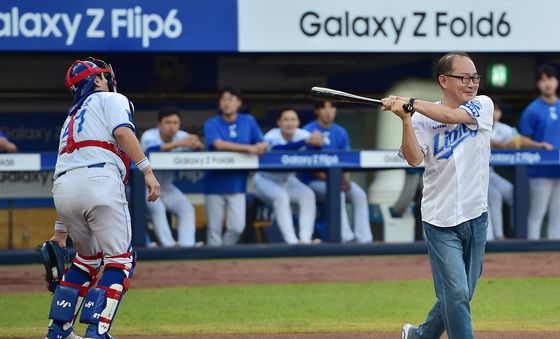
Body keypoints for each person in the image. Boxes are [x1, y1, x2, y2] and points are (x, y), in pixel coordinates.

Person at [45, 58, 160, 339]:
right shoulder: (111, 98)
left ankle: (59, 330)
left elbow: (68, 168)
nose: (107, 80)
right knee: (120, 260)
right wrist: (146, 170)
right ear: (96, 81)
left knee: (87, 260)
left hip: (63, 189)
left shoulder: (70, 118)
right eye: (103, 77)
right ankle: (98, 331)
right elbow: (122, 132)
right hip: (100, 181)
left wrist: (60, 233)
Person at [383, 52, 493, 339]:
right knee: (455, 293)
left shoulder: (482, 105)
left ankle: (418, 336)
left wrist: (410, 102)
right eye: (464, 77)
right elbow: (413, 159)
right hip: (440, 219)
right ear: (444, 80)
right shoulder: (421, 118)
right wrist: (406, 119)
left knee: (462, 294)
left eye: (474, 77)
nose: (472, 83)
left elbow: (451, 116)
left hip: (476, 216)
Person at [203, 87, 268, 246]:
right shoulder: (212, 123)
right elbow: (218, 144)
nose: (227, 103)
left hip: (237, 181)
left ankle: (223, 253)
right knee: (214, 230)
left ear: (239, 103)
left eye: (231, 99)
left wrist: (262, 146)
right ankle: (213, 264)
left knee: (238, 226)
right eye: (224, 99)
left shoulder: (248, 120)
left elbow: (262, 141)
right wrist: (247, 148)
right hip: (214, 183)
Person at [302, 101, 373, 243]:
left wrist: (345, 180)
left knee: (360, 195)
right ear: (317, 111)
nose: (328, 111)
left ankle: (364, 239)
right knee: (337, 193)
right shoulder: (308, 131)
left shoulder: (340, 132)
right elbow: (309, 166)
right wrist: (336, 182)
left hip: (337, 180)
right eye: (323, 107)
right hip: (311, 181)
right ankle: (346, 237)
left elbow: (346, 161)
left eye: (331, 107)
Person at [253, 108, 323, 244]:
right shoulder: (271, 135)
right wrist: (306, 142)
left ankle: (305, 240)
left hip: (288, 180)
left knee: (308, 195)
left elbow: (317, 149)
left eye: (293, 119)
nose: (289, 123)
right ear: (279, 122)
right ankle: (291, 241)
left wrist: (317, 143)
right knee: (282, 197)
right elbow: (279, 150)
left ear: (298, 122)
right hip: (265, 180)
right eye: (286, 119)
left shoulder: (302, 134)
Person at [488, 98, 551, 240]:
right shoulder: (476, 125)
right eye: (491, 109)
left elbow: (519, 140)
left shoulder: (503, 128)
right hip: (474, 176)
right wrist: (501, 145)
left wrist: (538, 145)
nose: (494, 113)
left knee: (513, 193)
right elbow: (487, 141)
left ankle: (511, 233)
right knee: (493, 197)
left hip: (491, 175)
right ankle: (494, 236)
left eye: (497, 110)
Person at [141, 106, 203, 247]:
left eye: (175, 122)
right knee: (158, 209)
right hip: (145, 184)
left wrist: (196, 143)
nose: (172, 126)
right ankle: (168, 246)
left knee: (186, 209)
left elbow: (199, 147)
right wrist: (181, 143)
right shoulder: (149, 135)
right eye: (167, 122)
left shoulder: (181, 135)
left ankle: (187, 246)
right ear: (159, 124)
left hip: (166, 186)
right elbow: (152, 150)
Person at [519, 64, 560, 240]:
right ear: (538, 84)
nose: (547, 83)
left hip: (558, 170)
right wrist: (539, 145)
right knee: (537, 213)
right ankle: (531, 254)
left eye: (550, 78)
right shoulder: (532, 109)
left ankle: (552, 260)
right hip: (539, 171)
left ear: (556, 81)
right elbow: (522, 139)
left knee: (557, 216)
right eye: (542, 80)